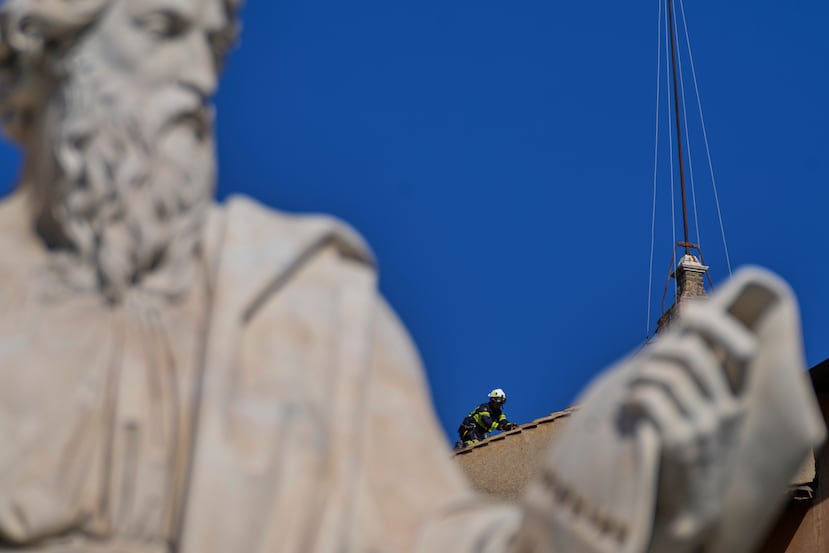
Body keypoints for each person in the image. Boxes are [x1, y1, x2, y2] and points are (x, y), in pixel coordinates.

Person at [0, 1, 823, 552]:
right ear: (40, 53)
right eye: (157, 28)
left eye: (210, 42)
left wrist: (606, 480)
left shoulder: (304, 305)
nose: (194, 79)